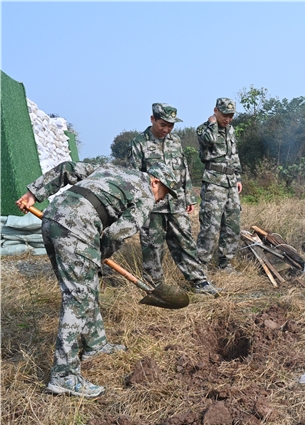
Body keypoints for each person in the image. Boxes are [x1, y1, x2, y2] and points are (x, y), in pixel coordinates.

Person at [16, 161, 182, 398]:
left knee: (84, 286)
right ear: (155, 181)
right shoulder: (146, 193)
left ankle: (96, 344)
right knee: (78, 297)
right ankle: (64, 375)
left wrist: (34, 193)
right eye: (163, 194)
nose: (159, 200)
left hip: (53, 216)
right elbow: (117, 232)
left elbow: (68, 168)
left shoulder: (112, 168)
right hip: (78, 226)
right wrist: (99, 252)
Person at [128, 103, 219, 295]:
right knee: (153, 246)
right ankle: (155, 286)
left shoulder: (175, 141)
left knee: (185, 242)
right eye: (163, 124)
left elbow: (183, 170)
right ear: (152, 120)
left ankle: (199, 282)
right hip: (152, 206)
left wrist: (189, 197)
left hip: (176, 203)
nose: (166, 129)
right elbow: (134, 177)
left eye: (171, 125)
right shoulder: (139, 143)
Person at [195, 98, 243, 274]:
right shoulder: (204, 128)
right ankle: (201, 266)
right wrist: (213, 123)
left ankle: (225, 264)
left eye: (231, 116)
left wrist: (238, 177)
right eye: (225, 115)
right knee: (210, 226)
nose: (228, 119)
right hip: (214, 182)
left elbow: (234, 154)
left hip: (230, 182)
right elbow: (209, 140)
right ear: (216, 111)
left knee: (232, 224)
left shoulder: (231, 130)